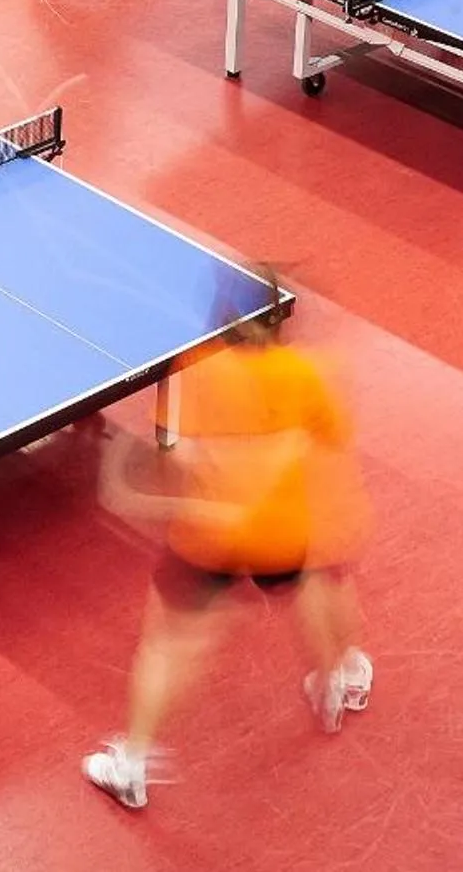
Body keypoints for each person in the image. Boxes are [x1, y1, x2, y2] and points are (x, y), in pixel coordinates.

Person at [83, 276, 373, 810]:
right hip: (281, 528)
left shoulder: (202, 367)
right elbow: (328, 445)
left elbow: (185, 455)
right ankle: (335, 681)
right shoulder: (305, 375)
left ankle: (133, 764)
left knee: (169, 643)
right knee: (320, 582)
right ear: (279, 325)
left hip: (211, 534)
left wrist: (164, 491)